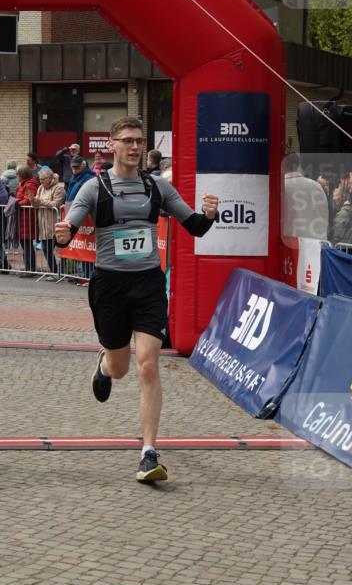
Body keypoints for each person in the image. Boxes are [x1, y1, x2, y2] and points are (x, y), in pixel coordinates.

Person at [55, 116, 218, 484]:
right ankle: (104, 365)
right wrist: (63, 233)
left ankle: (148, 453)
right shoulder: (94, 189)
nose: (133, 146)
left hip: (147, 286)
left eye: (139, 140)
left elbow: (194, 227)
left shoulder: (158, 188)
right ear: (111, 145)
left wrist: (210, 215)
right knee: (121, 367)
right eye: (126, 140)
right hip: (110, 287)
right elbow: (69, 232)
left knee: (148, 365)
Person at [282, 152, 329, 243]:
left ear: (283, 165)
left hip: (294, 245)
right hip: (319, 243)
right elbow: (325, 212)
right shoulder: (317, 186)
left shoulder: (281, 187)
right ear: (298, 165)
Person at [33, 166, 65, 275]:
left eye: (43, 179)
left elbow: (56, 204)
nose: (41, 181)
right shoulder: (41, 188)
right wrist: (32, 200)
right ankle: (54, 271)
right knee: (46, 249)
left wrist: (40, 201)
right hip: (43, 223)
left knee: (61, 250)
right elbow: (36, 205)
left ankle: (62, 271)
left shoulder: (59, 188)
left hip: (55, 223)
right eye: (40, 179)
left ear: (50, 177)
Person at [15, 165, 39, 274]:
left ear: (23, 175)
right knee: (24, 245)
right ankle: (28, 267)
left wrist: (15, 203)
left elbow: (28, 201)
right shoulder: (23, 184)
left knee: (28, 245)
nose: (16, 176)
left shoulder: (30, 185)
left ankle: (30, 269)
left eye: (18, 174)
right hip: (22, 218)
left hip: (28, 218)